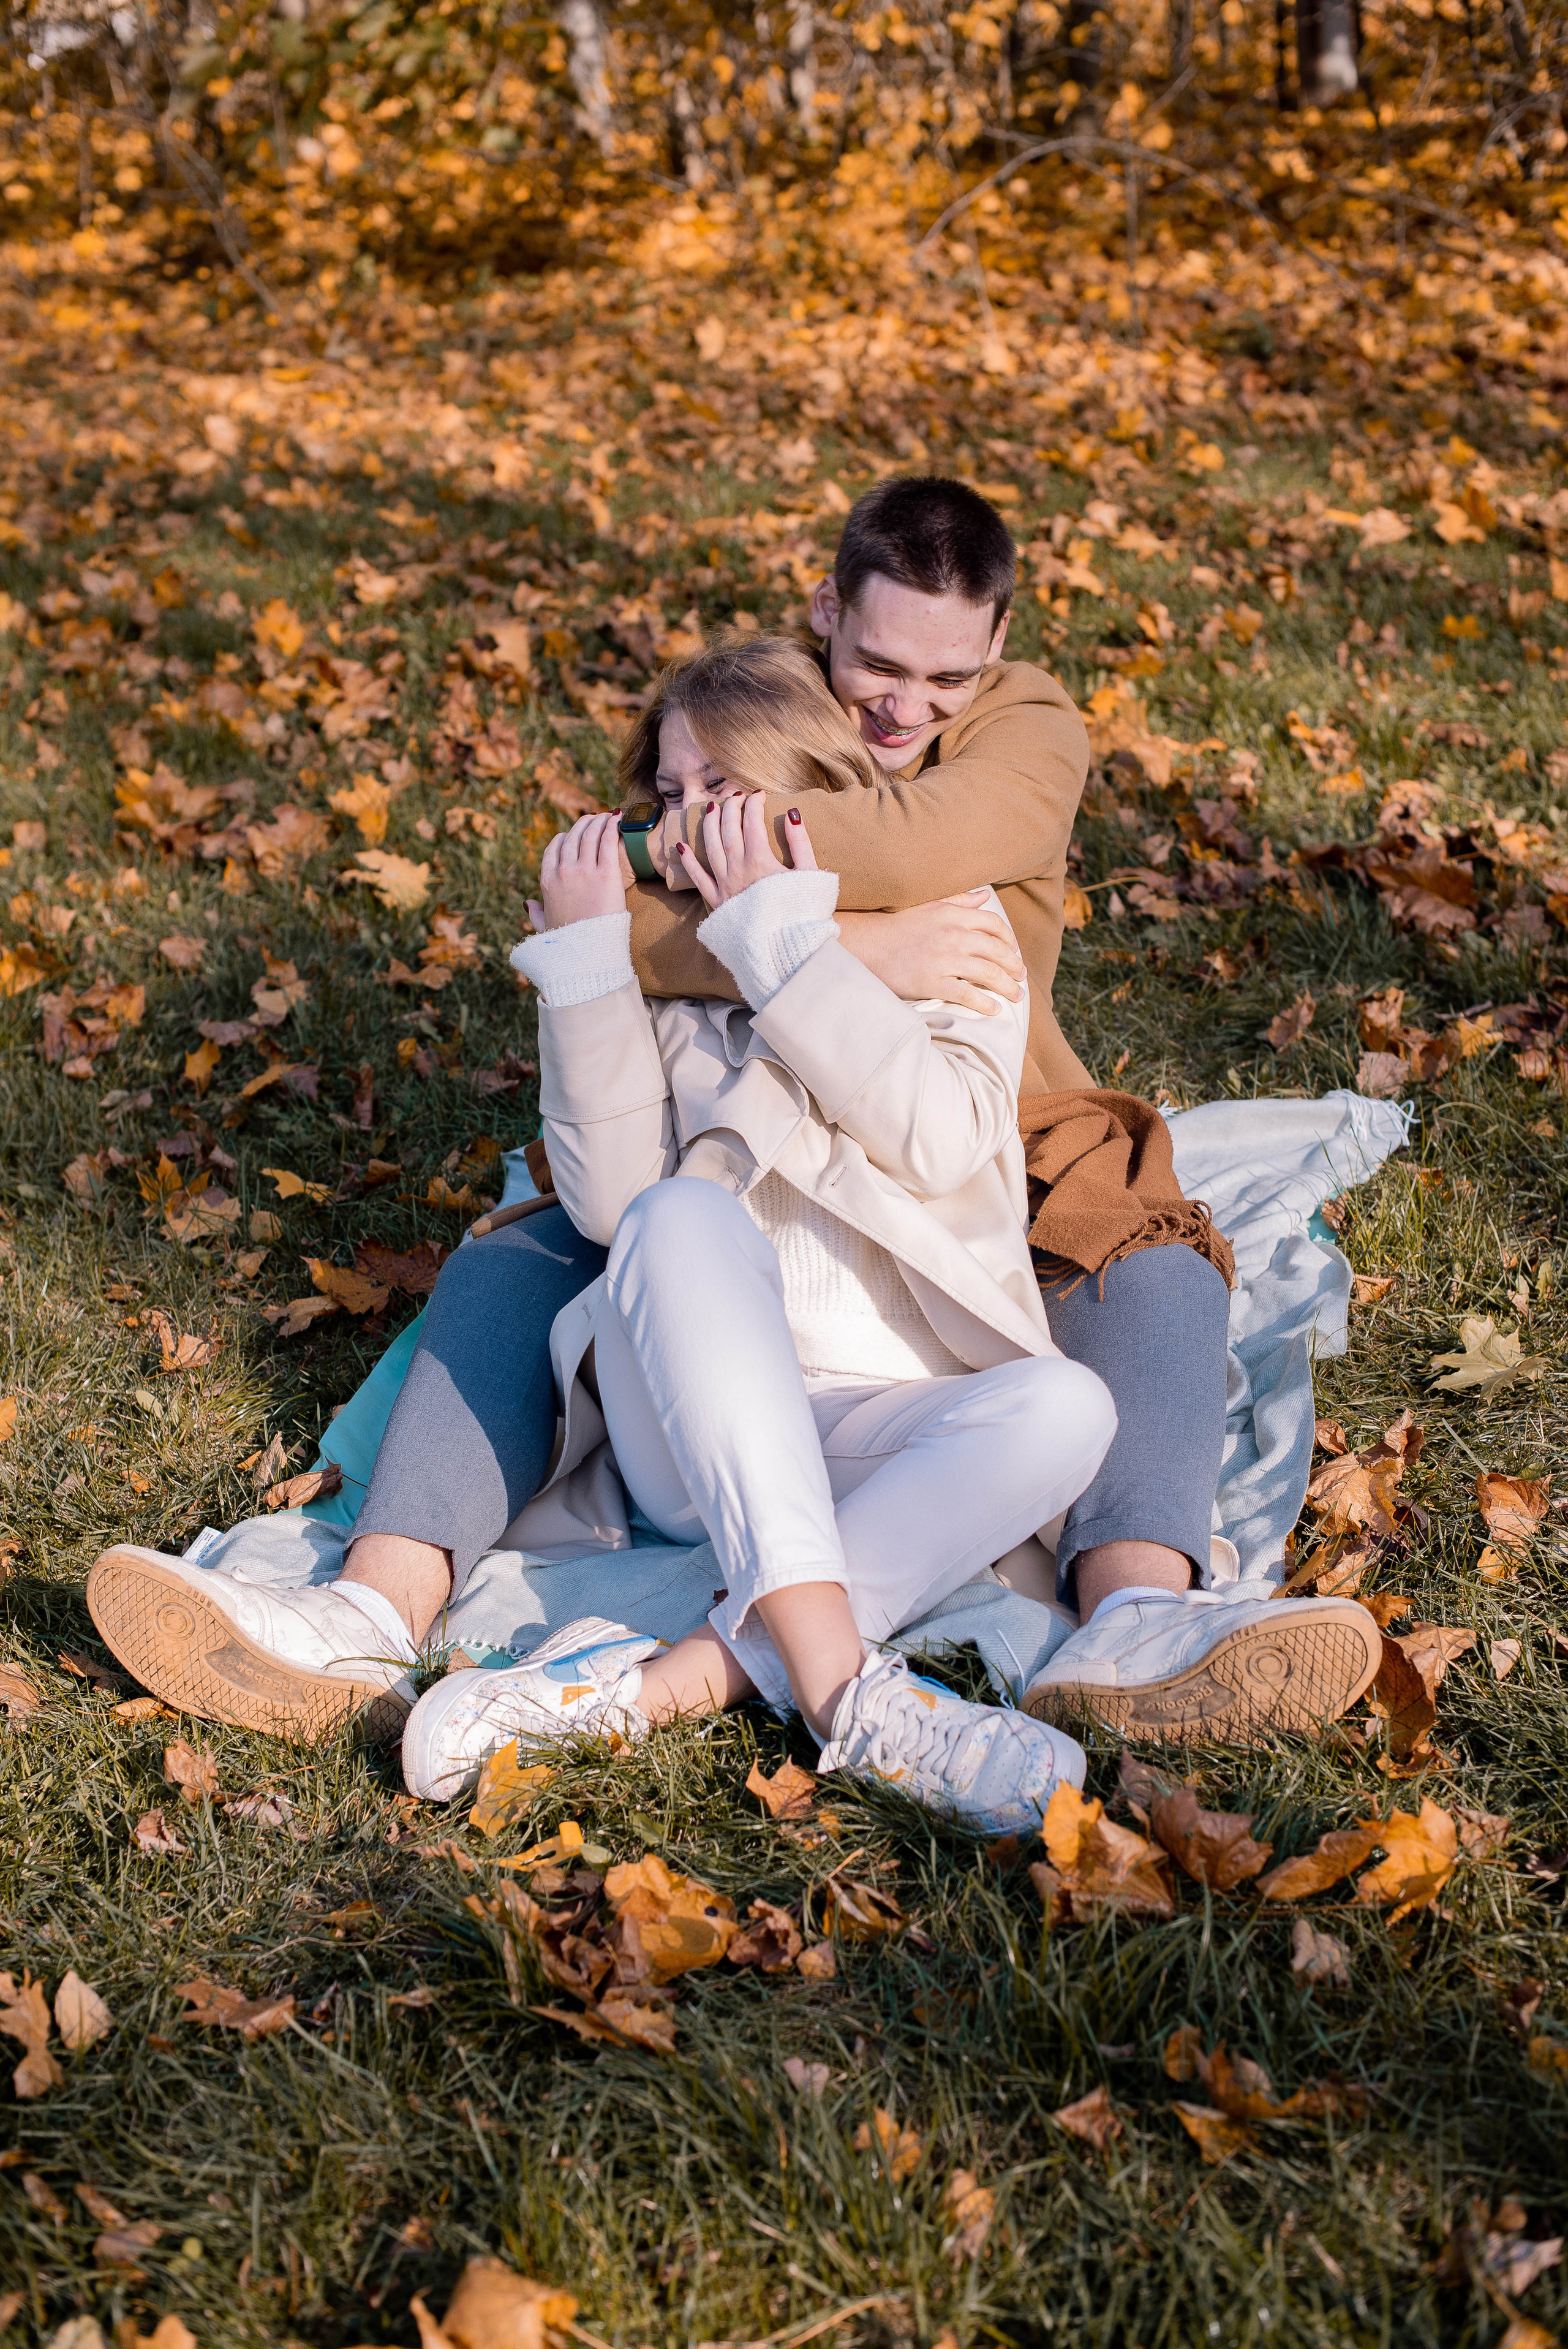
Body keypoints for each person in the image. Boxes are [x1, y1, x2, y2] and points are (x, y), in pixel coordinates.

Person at [85, 478, 1382, 1752]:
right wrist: (701, 923)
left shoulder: (1023, 722)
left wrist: (730, 898)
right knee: (544, 1240)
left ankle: (1134, 1617)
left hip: (1008, 1102)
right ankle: (372, 1604)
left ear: (995, 653)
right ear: (824, 616)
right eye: (877, 665)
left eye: (948, 682)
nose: (906, 706)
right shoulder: (765, 710)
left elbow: (910, 848)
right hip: (721, 1133)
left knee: (1143, 1255)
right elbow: (701, 870)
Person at [401, 633, 1123, 1828]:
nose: (684, 824)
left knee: (1067, 1408)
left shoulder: (952, 925)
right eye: (669, 795)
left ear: (806, 794)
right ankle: (852, 1696)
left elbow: (940, 1137)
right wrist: (587, 968)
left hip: (881, 1409)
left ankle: (652, 1691)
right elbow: (607, 1205)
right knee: (676, 1215)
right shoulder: (661, 963)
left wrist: (790, 952)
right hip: (692, 1416)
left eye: (721, 791)